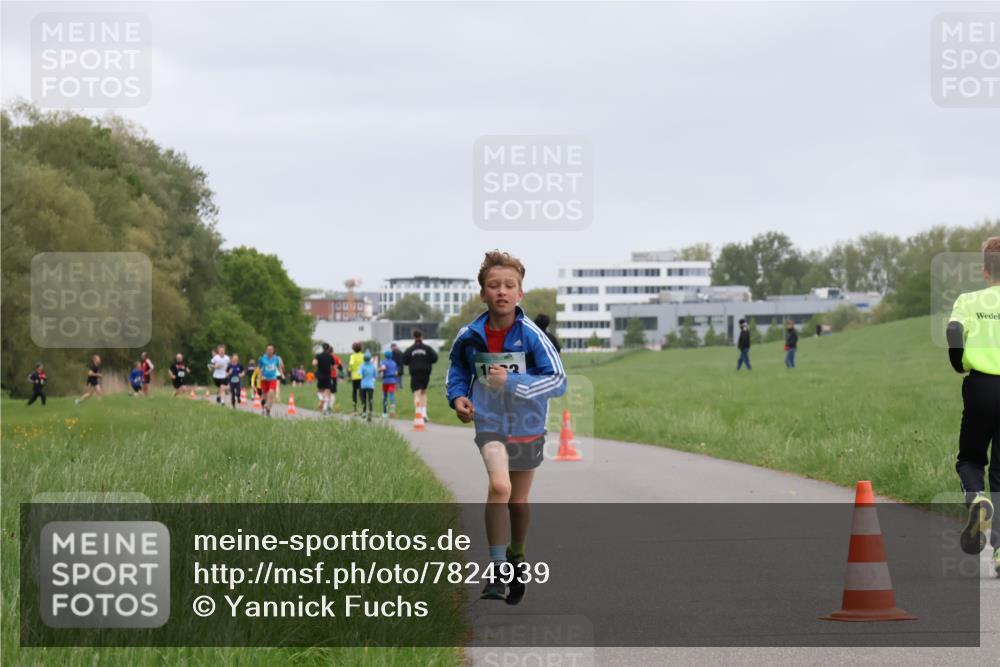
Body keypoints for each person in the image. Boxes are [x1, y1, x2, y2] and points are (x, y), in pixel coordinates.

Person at [446, 250, 566, 604]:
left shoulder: (532, 335)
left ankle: (516, 556)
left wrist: (512, 382)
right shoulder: (470, 335)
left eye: (509, 285)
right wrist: (458, 397)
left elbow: (558, 381)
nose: (501, 291)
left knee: (518, 501)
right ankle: (497, 570)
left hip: (528, 424)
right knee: (500, 486)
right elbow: (457, 370)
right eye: (494, 285)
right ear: (483, 293)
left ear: (520, 293)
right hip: (490, 422)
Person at [948, 236, 1000, 574]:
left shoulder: (968, 300)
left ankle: (976, 497)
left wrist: (958, 364)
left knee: (970, 458)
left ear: (984, 271)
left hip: (981, 386)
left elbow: (954, 331)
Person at [403, 330, 439, 423]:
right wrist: (427, 360)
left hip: (415, 373)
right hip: (426, 372)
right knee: (423, 392)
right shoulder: (427, 348)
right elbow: (435, 358)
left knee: (416, 393)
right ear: (422, 337)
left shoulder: (410, 349)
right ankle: (424, 414)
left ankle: (418, 413)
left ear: (413, 337)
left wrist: (412, 361)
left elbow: (404, 360)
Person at [313, 343, 342, 415]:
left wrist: (318, 365)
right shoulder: (330, 357)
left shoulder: (318, 356)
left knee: (319, 391)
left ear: (322, 348)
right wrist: (332, 368)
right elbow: (334, 366)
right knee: (327, 392)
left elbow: (314, 363)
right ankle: (325, 409)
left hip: (320, 375)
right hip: (328, 376)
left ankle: (321, 399)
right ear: (328, 348)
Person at [257, 344, 284, 417]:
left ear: (273, 350)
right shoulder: (262, 358)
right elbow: (259, 368)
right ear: (266, 350)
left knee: (271, 393)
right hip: (264, 379)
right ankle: (263, 408)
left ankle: (268, 410)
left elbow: (279, 367)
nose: (270, 351)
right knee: (264, 396)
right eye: (268, 349)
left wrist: (282, 374)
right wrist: (260, 375)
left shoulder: (276, 358)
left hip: (273, 378)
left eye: (271, 349)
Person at [380, 348, 399, 418]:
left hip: (385, 381)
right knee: (391, 395)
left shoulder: (383, 362)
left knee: (385, 396)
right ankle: (392, 411)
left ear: (385, 356)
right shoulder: (394, 363)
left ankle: (384, 412)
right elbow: (396, 373)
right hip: (392, 381)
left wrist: (379, 371)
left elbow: (383, 369)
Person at [360, 350, 377, 422]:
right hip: (371, 385)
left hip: (363, 384)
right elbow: (375, 375)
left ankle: (364, 412)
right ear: (370, 359)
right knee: (370, 399)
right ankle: (370, 411)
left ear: (364, 358)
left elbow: (360, 374)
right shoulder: (373, 366)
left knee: (363, 399)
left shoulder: (362, 366)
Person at [348, 342, 365, 416]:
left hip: (354, 376)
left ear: (353, 349)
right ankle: (364, 409)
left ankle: (355, 410)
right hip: (362, 376)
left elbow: (351, 365)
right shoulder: (363, 356)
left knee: (354, 392)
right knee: (361, 393)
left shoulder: (352, 356)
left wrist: (350, 369)